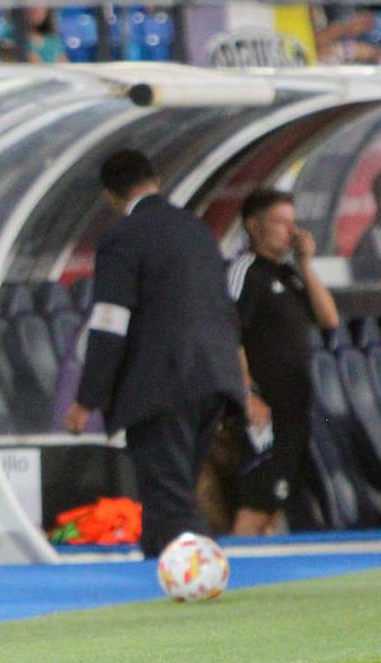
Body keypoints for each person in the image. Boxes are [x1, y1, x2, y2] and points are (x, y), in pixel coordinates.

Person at [64, 150, 243, 558]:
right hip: (215, 379)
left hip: (163, 387)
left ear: (111, 195)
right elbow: (224, 309)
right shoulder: (198, 230)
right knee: (174, 492)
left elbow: (110, 322)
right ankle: (162, 575)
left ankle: (199, 576)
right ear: (155, 180)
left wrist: (87, 399)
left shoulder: (123, 237)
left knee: (169, 498)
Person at [227, 188, 339, 536]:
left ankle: (254, 577)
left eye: (294, 222)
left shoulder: (288, 274)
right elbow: (227, 335)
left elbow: (328, 319)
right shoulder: (246, 272)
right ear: (254, 226)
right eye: (281, 222)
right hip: (263, 409)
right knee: (258, 501)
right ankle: (232, 570)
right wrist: (247, 393)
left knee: (275, 505)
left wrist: (306, 264)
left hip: (293, 406)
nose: (292, 231)